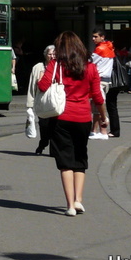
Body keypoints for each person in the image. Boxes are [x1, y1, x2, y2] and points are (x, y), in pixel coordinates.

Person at [38, 31, 108, 216]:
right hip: (83, 118)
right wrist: (103, 117)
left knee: (65, 162)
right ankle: (79, 200)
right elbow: (98, 97)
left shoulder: (56, 66)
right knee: (80, 159)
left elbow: (42, 86)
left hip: (61, 117)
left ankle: (69, 205)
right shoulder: (90, 67)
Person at [26, 45, 56, 155]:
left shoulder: (59, 66)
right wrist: (30, 105)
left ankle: (54, 150)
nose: (52, 56)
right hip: (42, 102)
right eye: (50, 54)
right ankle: (43, 144)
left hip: (55, 102)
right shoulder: (38, 67)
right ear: (45, 55)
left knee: (55, 127)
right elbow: (32, 86)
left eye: (54, 54)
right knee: (44, 126)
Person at [89, 29, 118, 139]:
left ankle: (103, 131)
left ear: (102, 37)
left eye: (95, 36)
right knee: (98, 104)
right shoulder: (109, 47)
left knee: (99, 103)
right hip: (105, 79)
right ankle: (96, 131)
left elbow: (89, 62)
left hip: (99, 79)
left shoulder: (100, 49)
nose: (93, 38)